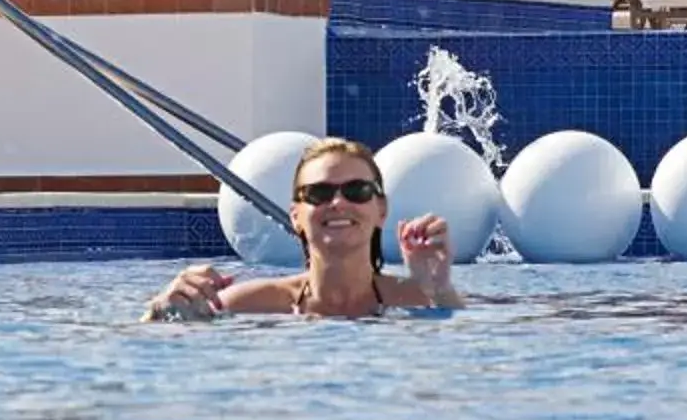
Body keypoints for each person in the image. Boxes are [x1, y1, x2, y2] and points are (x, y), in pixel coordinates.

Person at [143, 137, 461, 322]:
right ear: (295, 216)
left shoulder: (419, 297)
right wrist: (161, 311)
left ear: (381, 210)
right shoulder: (251, 303)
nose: (338, 202)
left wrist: (439, 288)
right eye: (319, 194)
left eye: (357, 191)